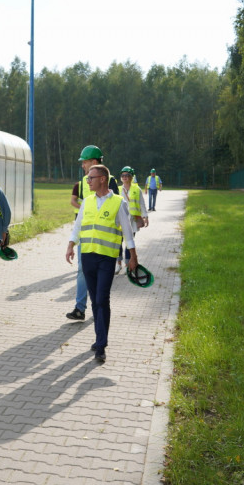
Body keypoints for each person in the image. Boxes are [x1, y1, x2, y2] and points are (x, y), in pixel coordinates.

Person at [65, 164, 137, 363]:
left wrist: (133, 257)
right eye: (88, 179)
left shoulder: (118, 203)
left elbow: (128, 232)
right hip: (87, 256)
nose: (87, 181)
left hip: (107, 258)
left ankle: (101, 345)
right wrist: (71, 245)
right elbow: (77, 226)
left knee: (101, 299)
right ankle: (99, 339)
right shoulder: (87, 202)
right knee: (94, 299)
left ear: (102, 179)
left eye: (91, 178)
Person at [66, 145, 118, 321]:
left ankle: (98, 305)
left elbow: (116, 209)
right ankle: (80, 308)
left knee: (99, 277)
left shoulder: (110, 181)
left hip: (104, 241)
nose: (82, 165)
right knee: (82, 271)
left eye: (85, 162)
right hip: (85, 237)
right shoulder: (81, 183)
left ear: (94, 161)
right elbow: (76, 204)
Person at [117, 166, 148, 274]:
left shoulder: (136, 189)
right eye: (123, 175)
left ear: (131, 177)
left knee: (129, 242)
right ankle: (118, 263)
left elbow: (142, 203)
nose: (125, 177)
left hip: (133, 221)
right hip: (120, 220)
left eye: (127, 175)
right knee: (118, 242)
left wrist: (145, 216)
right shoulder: (118, 189)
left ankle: (127, 264)